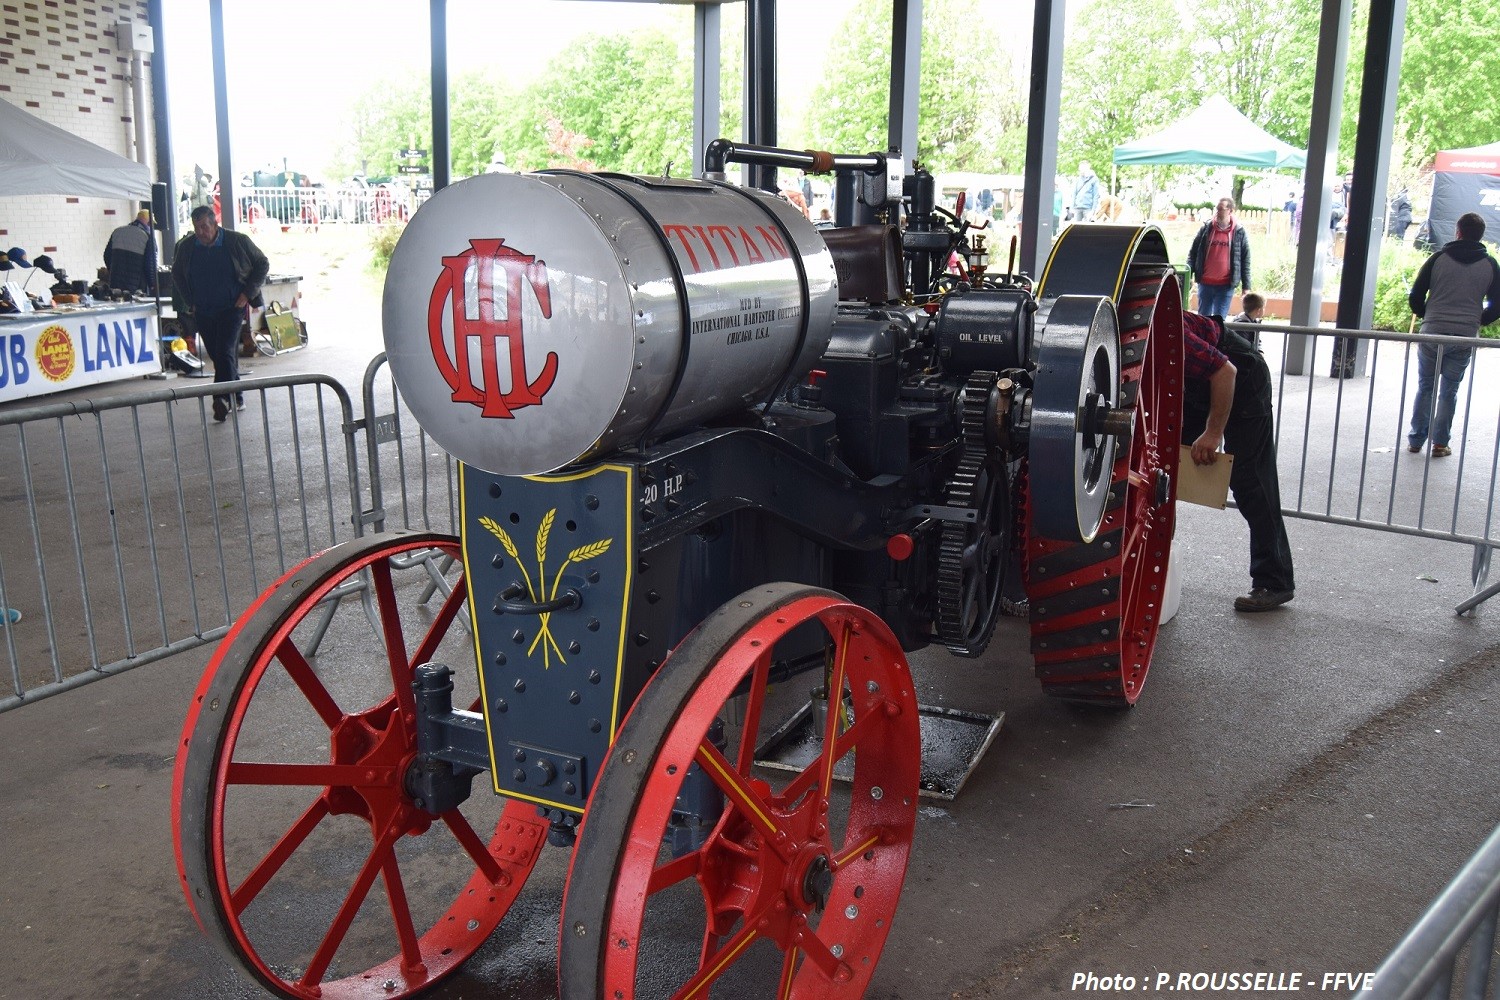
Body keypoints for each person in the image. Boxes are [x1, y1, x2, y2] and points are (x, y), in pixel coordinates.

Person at [1181, 310, 1295, 612]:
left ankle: (1275, 581)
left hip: (1241, 377)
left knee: (1251, 482)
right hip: (1200, 383)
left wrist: (1212, 432)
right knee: (1164, 461)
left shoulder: (1171, 334)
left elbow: (1225, 371)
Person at [1405, 212, 1500, 457]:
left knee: (1426, 386)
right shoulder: (1490, 265)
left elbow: (1415, 296)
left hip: (1432, 333)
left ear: (1457, 232)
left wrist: (1429, 314)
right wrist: (1478, 319)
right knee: (1450, 390)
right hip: (1463, 336)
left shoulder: (1437, 259)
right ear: (1481, 236)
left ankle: (1416, 440)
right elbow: (1497, 304)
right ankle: (1440, 444)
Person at [171, 206, 269, 422]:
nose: (200, 232)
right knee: (218, 355)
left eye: (204, 227)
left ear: (215, 224)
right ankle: (238, 396)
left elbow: (262, 263)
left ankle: (221, 399)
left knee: (224, 351)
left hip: (231, 308)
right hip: (203, 310)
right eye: (196, 228)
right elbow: (176, 272)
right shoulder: (187, 247)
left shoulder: (236, 241)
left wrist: (247, 293)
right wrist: (190, 301)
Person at [1185, 196, 1252, 319]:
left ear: (1230, 211)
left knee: (1219, 322)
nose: (1217, 212)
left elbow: (1245, 260)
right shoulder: (1206, 228)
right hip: (1205, 283)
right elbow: (1193, 253)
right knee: (1202, 321)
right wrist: (1188, 275)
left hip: (1226, 286)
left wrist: (1246, 287)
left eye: (1221, 209)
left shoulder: (1239, 232)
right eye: (1216, 208)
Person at [103, 209, 158, 293]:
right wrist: (152, 284)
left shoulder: (117, 232)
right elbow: (150, 265)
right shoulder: (147, 237)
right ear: (148, 223)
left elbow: (107, 256)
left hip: (115, 283)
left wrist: (114, 271)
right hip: (137, 287)